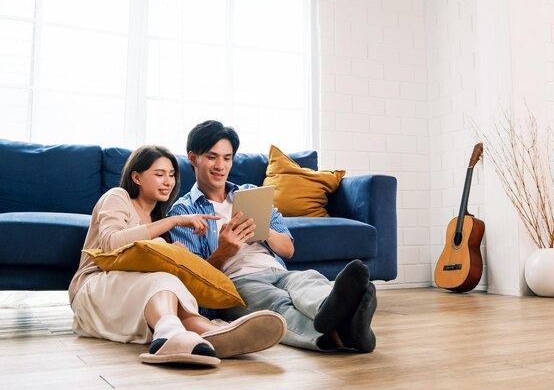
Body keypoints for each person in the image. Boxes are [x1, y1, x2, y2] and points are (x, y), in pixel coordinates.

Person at [68, 145, 287, 367]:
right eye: (159, 174)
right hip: (95, 288)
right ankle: (168, 335)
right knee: (164, 281)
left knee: (173, 287)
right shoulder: (118, 197)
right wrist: (174, 221)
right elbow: (110, 243)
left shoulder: (159, 220)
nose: (168, 182)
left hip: (136, 293)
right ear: (136, 177)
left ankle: (218, 334)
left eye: (172, 175)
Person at [168, 121, 377, 352]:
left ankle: (328, 307)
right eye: (212, 157)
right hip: (238, 282)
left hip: (278, 271)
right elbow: (193, 283)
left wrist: (263, 231)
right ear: (193, 158)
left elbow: (288, 250)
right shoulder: (183, 212)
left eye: (227, 158)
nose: (220, 165)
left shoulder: (252, 193)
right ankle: (346, 332)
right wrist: (223, 252)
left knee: (308, 280)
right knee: (277, 303)